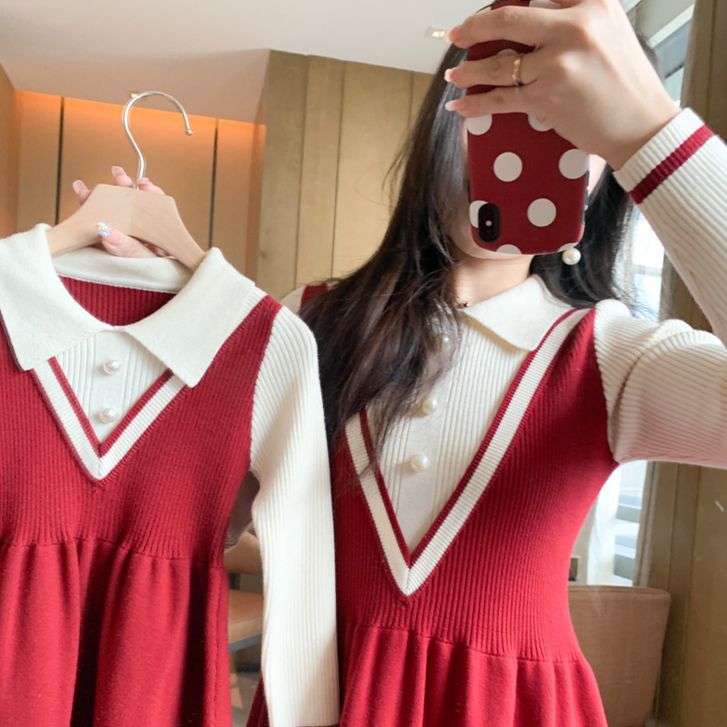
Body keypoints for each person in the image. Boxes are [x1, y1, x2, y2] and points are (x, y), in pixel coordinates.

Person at [78, 1, 727, 724]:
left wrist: (654, 136)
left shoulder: (613, 357)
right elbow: (203, 519)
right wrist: (164, 323)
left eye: (570, 127)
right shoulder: (308, 321)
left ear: (605, 173)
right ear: (445, 118)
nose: (523, 145)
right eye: (495, 108)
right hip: (323, 699)